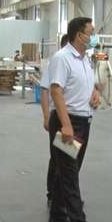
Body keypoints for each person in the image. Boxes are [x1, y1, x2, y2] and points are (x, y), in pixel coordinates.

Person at [48, 17, 100, 222]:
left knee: (67, 171)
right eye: (91, 32)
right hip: (67, 122)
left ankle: (57, 215)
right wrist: (66, 124)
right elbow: (56, 91)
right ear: (79, 35)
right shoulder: (62, 58)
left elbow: (88, 84)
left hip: (83, 122)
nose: (94, 36)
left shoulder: (84, 58)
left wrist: (95, 93)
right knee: (70, 174)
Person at [41, 35, 69, 207]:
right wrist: (46, 116)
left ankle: (64, 194)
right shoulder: (55, 62)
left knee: (69, 158)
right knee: (58, 157)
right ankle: (53, 193)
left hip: (73, 118)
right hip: (58, 117)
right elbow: (45, 90)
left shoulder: (81, 62)